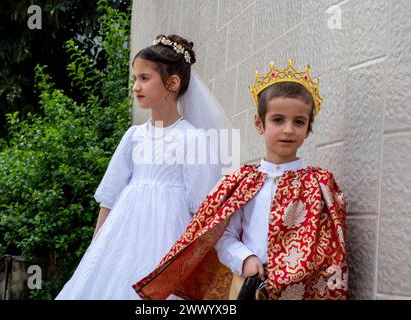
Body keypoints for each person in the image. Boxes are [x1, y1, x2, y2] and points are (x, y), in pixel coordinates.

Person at [133, 59, 348, 300]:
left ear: (308, 129)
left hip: (301, 292)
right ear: (259, 123)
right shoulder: (241, 183)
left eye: (298, 122)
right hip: (249, 286)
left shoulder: (319, 184)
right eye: (278, 120)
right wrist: (245, 259)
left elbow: (332, 251)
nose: (288, 129)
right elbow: (224, 237)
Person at [55, 34, 229, 299]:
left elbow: (202, 207)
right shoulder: (134, 136)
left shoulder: (193, 139)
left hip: (168, 239)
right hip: (120, 238)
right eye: (135, 78)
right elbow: (110, 197)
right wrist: (96, 246)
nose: (136, 86)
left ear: (172, 83)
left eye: (145, 78)